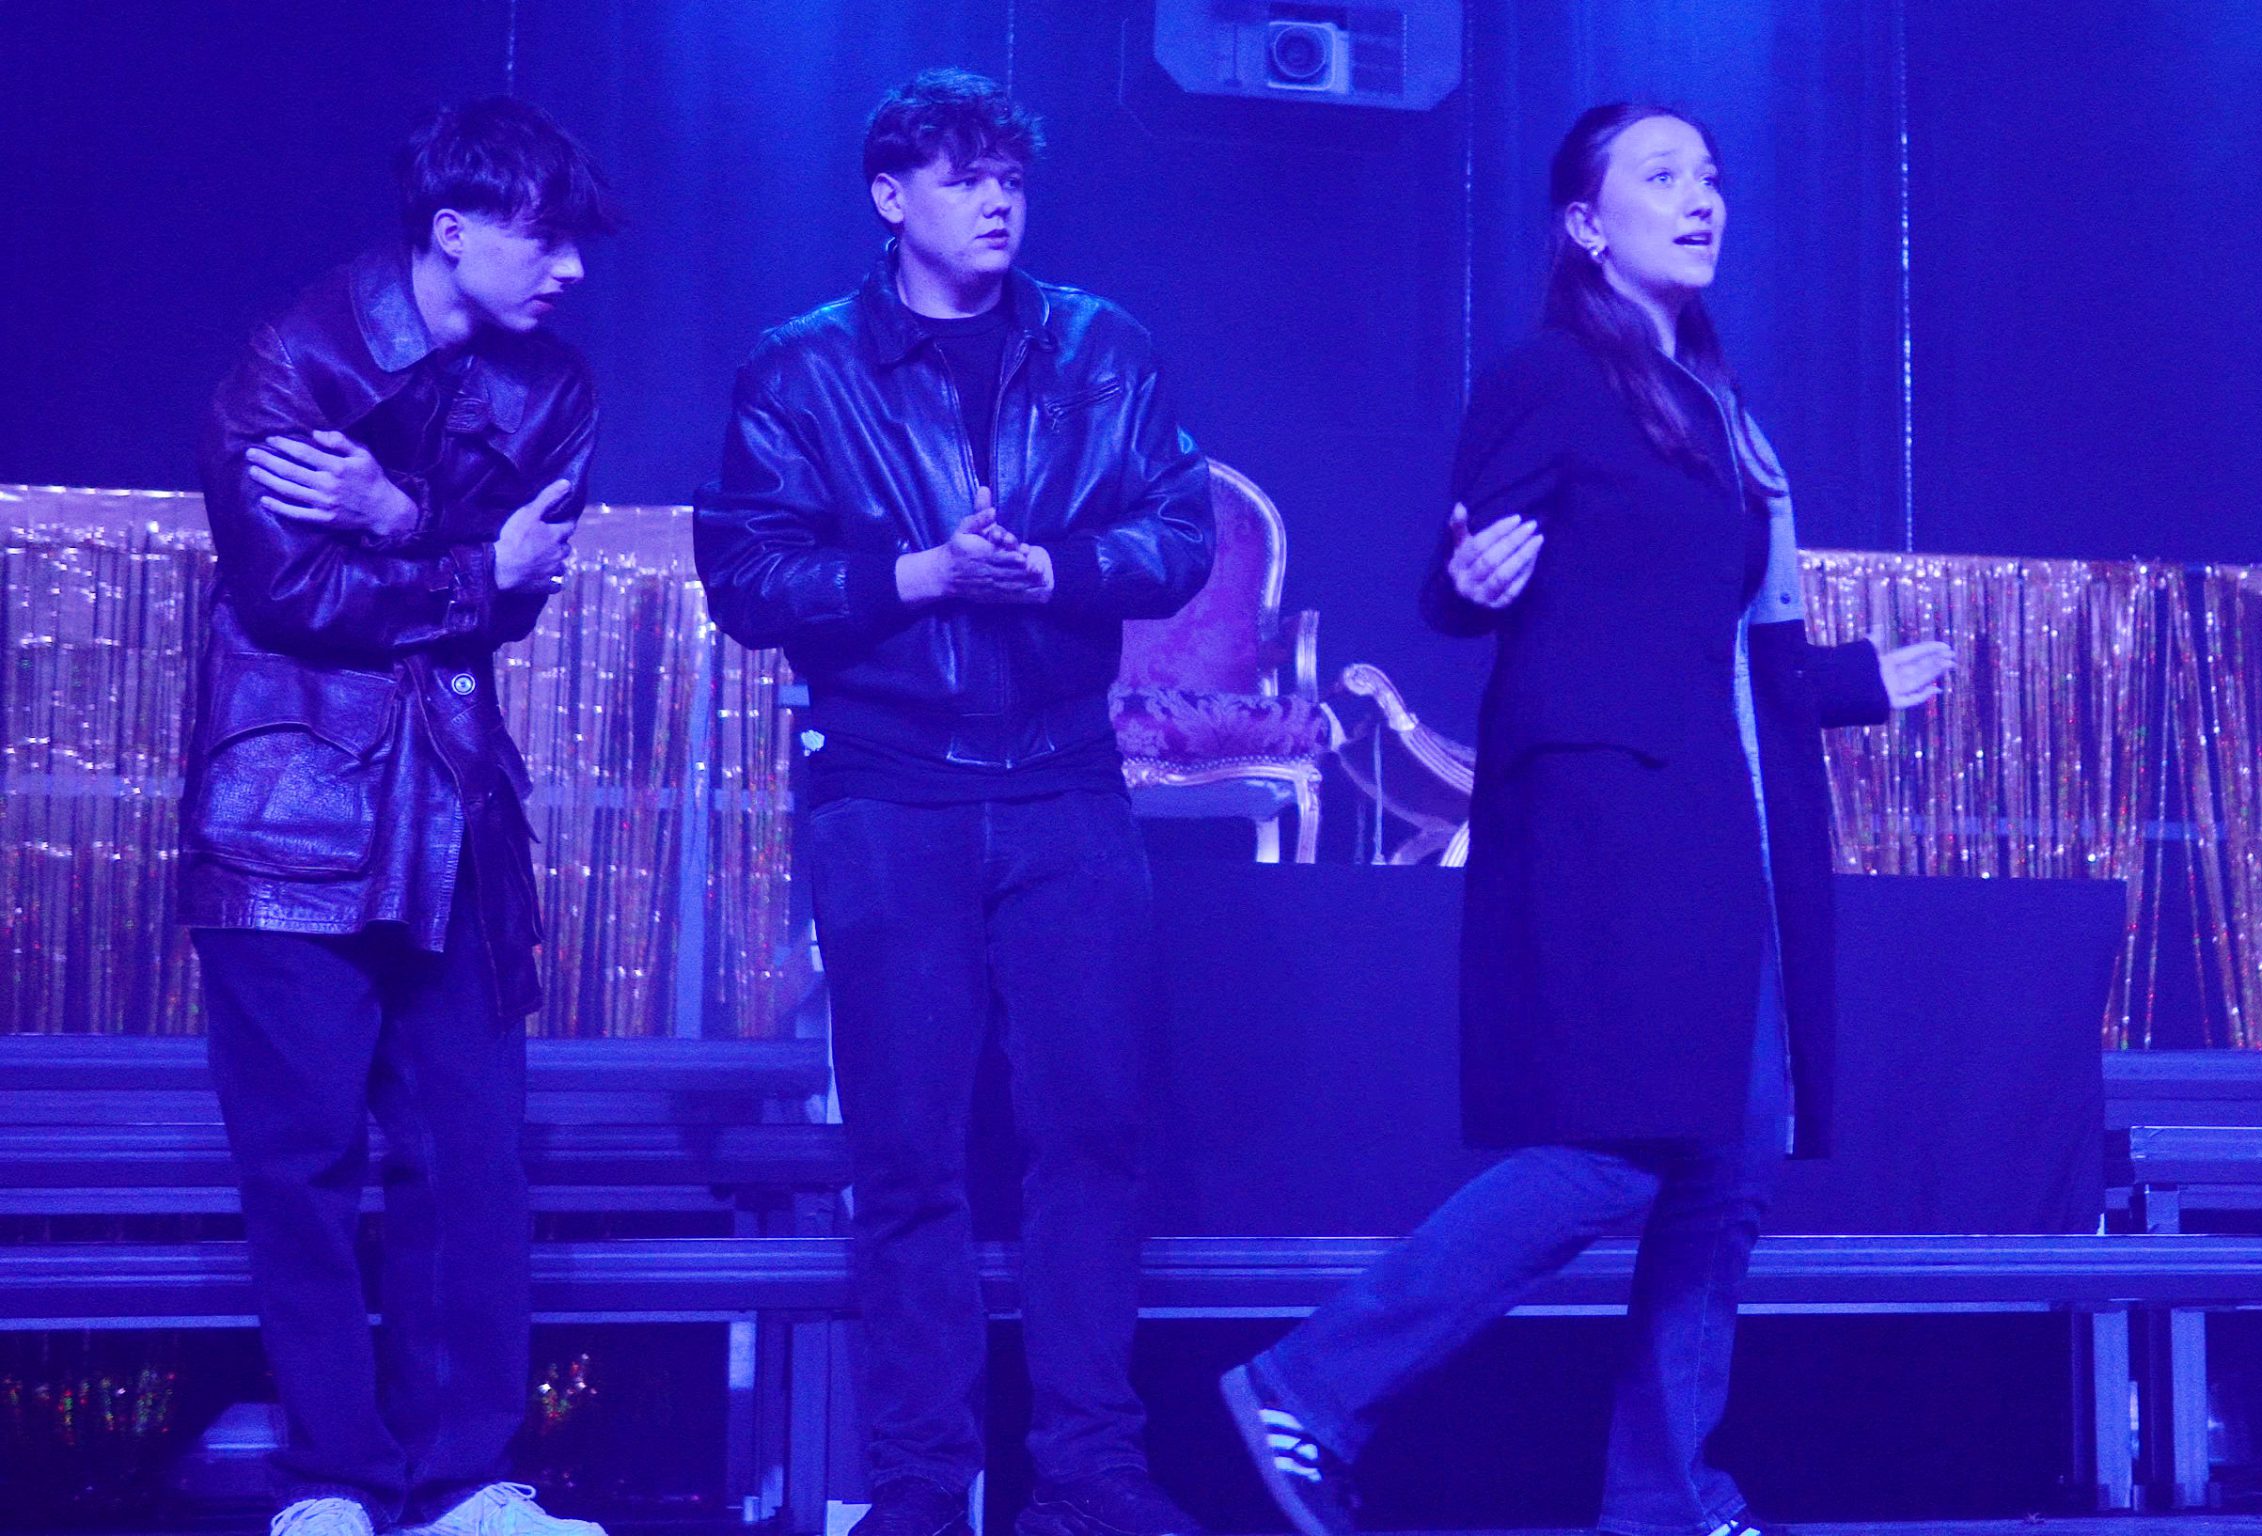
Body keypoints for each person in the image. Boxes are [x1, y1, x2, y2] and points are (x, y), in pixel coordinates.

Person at [1221, 102, 1956, 1536]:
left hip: (1730, 829)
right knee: (1619, 1144)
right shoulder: (1552, 378)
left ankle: (1667, 1497)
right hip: (1610, 823)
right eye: (1662, 176)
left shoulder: (1723, 410)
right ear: (1584, 224)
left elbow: (1743, 652)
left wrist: (1864, 680)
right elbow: (1460, 574)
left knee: (1729, 1164)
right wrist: (1466, 587)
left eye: (1711, 176)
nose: (1701, 198)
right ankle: (1311, 1383)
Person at [692, 69, 1214, 1536]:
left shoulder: (1101, 346)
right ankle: (921, 1487)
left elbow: (1180, 532)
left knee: (1091, 1136)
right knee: (909, 1154)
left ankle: (1091, 1478)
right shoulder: (802, 368)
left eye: (1011, 179)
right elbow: (746, 576)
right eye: (964, 176)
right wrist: (917, 576)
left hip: (1065, 782)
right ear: (890, 196)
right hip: (888, 788)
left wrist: (1054, 571)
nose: (996, 201)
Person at [181, 98, 619, 1536]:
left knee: (471, 1163)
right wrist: (457, 555)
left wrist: (393, 517)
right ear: (453, 230)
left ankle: (467, 1486)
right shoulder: (294, 359)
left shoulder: (556, 389)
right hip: (287, 806)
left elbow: (523, 593)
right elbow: (286, 594)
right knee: (301, 1166)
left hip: (453, 810)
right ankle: (331, 1484)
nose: (569, 270)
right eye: (545, 240)